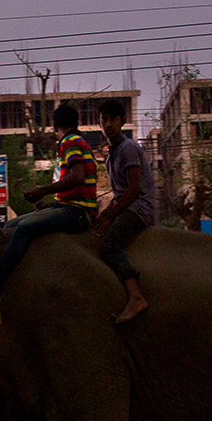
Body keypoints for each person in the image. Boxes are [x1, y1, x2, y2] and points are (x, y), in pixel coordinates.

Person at [0, 104, 98, 285]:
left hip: (78, 212)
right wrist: (50, 205)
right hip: (68, 207)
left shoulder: (70, 142)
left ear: (54, 124)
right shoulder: (76, 142)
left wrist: (42, 191)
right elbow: (75, 188)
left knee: (24, 228)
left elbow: (78, 177)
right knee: (11, 223)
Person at [91, 99, 153, 323]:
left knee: (109, 245)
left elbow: (134, 190)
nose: (107, 124)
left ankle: (136, 297)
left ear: (122, 121)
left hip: (140, 208)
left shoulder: (129, 148)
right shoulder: (110, 156)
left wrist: (110, 215)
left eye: (112, 119)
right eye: (103, 120)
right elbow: (118, 194)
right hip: (127, 205)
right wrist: (104, 213)